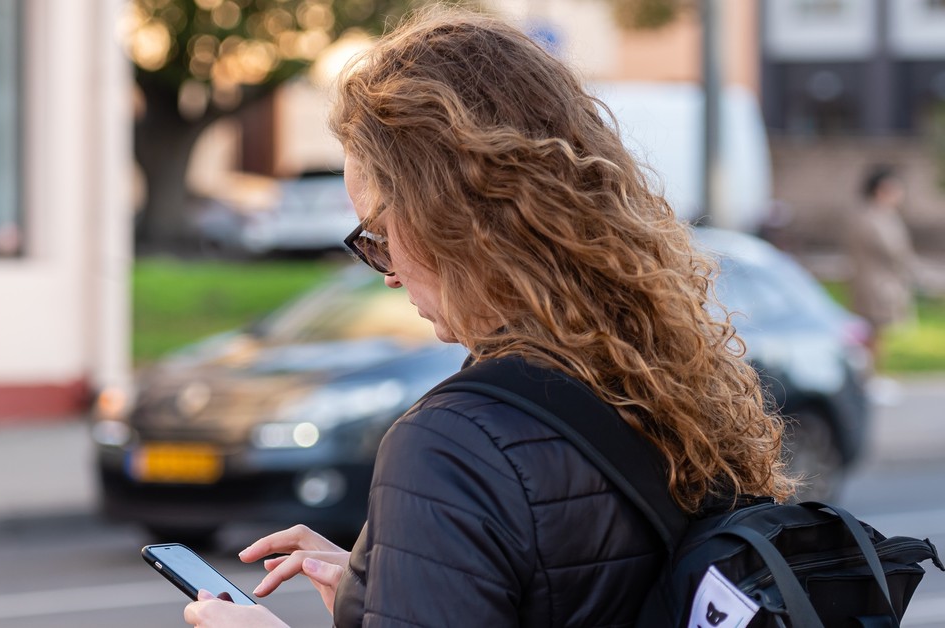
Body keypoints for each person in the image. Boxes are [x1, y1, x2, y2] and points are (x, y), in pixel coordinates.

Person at [183, 7, 794, 627]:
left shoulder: (451, 444)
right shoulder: (661, 376)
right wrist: (387, 584)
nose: (387, 271)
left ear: (448, 218)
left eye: (379, 232)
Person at [846, 165, 917, 373]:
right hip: (875, 285)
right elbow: (894, 250)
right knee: (872, 334)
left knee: (877, 335)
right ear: (881, 189)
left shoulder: (882, 215)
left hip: (880, 283)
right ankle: (868, 378)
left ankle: (872, 376)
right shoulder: (871, 216)